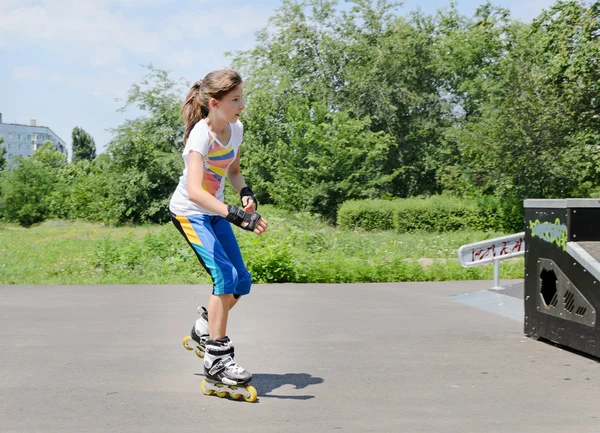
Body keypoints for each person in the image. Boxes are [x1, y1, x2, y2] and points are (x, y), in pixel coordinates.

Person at [169, 69, 268, 393]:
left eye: (242, 98)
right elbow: (197, 192)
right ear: (215, 103)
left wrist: (245, 193)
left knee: (241, 280)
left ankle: (204, 326)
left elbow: (234, 171)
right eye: (236, 99)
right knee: (223, 276)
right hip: (191, 213)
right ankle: (216, 359)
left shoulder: (235, 129)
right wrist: (238, 217)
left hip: (214, 212)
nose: (242, 105)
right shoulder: (201, 136)